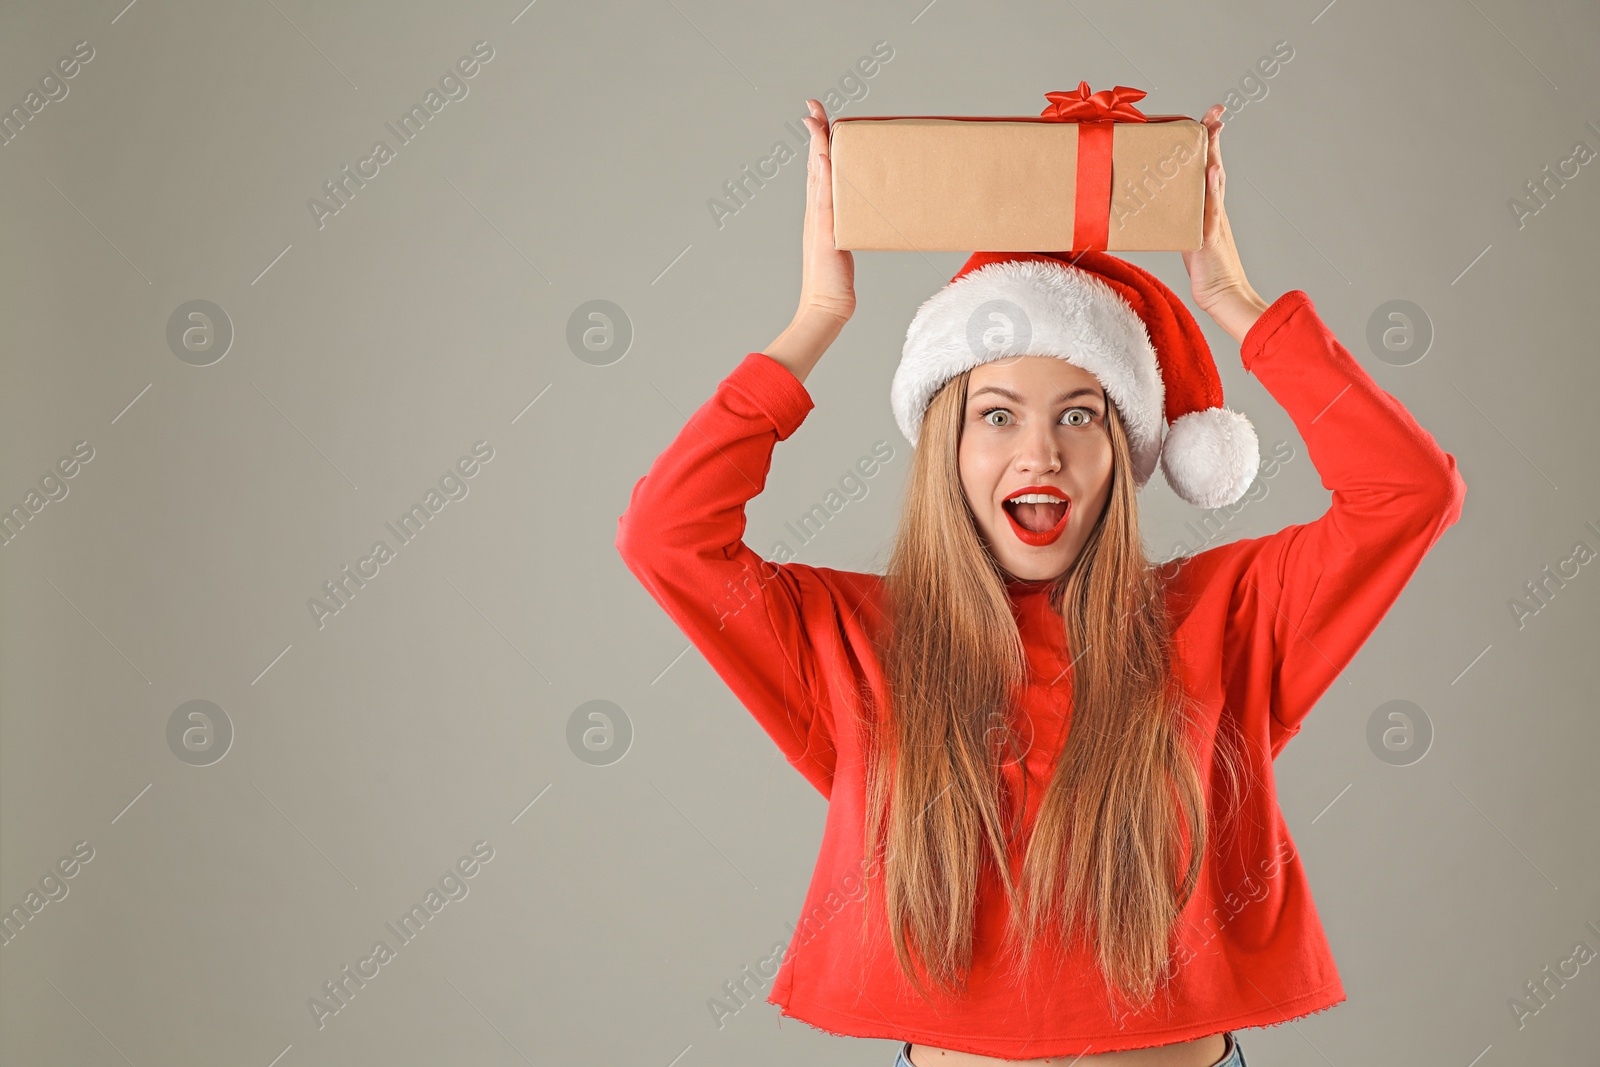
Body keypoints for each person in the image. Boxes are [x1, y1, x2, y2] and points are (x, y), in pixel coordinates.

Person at [615, 98, 1466, 1067]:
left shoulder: (1224, 617)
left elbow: (1406, 492)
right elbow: (667, 536)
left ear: (1123, 448)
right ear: (945, 443)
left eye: (1077, 416)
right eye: (995, 415)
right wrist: (816, 320)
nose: (1039, 455)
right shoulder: (853, 638)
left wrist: (1236, 301)